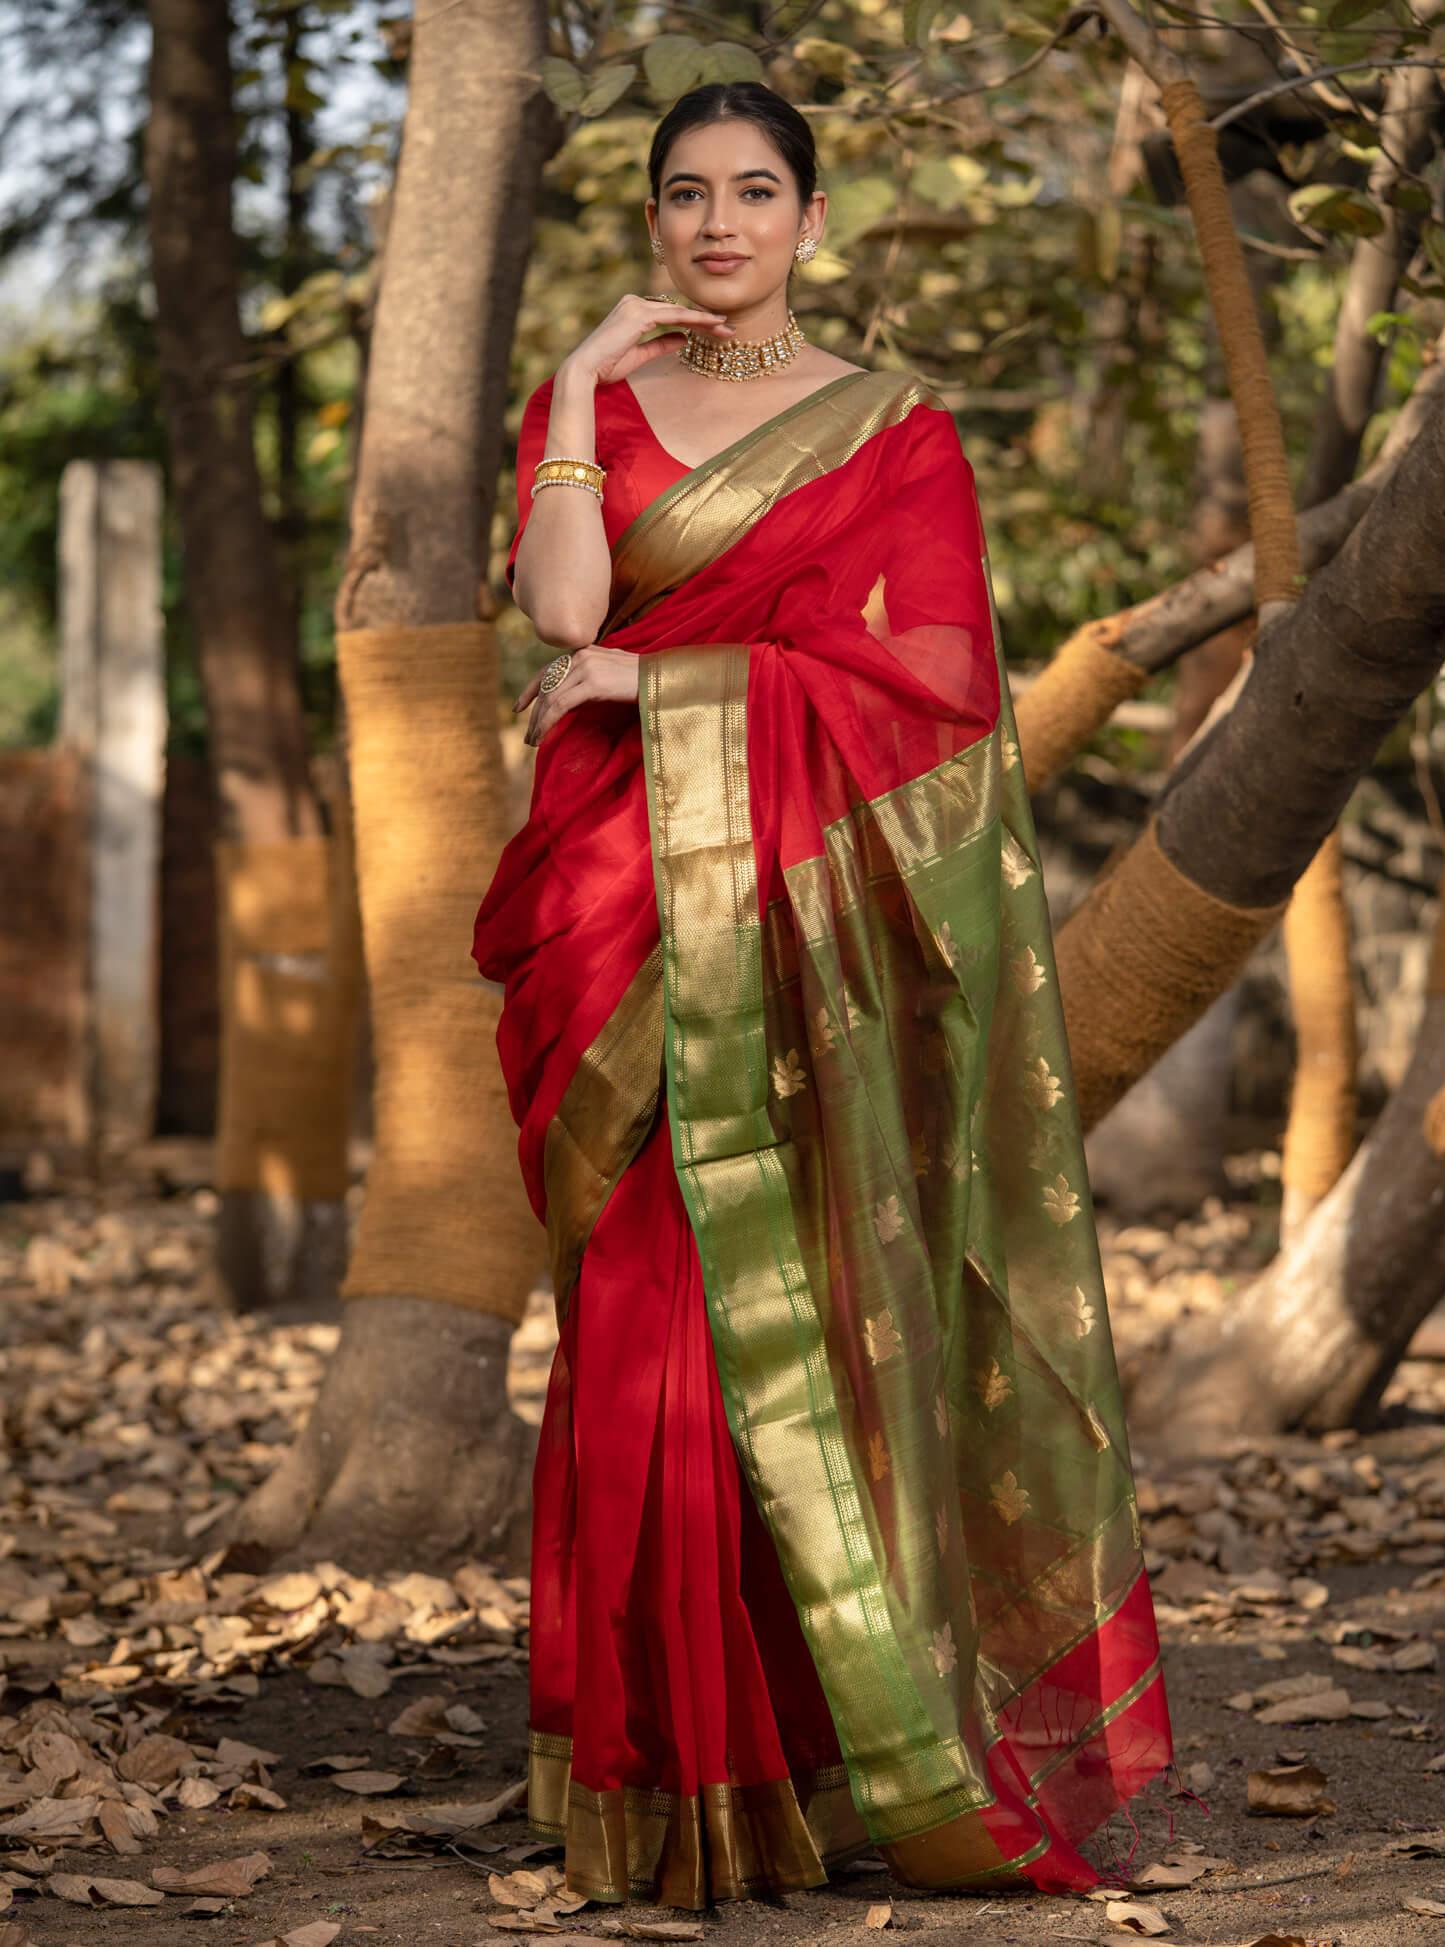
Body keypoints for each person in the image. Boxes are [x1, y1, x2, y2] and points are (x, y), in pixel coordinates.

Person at [474, 80, 1172, 1911]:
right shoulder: (605, 413)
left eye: (755, 192)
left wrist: (664, 690)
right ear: (648, 225)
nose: (719, 226)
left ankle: (825, 1743)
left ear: (811, 216)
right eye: (685, 196)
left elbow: (930, 690)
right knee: (638, 1320)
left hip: (790, 925)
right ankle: (647, 1767)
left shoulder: (891, 430)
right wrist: (563, 394)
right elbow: (559, 610)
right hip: (618, 911)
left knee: (794, 1316)